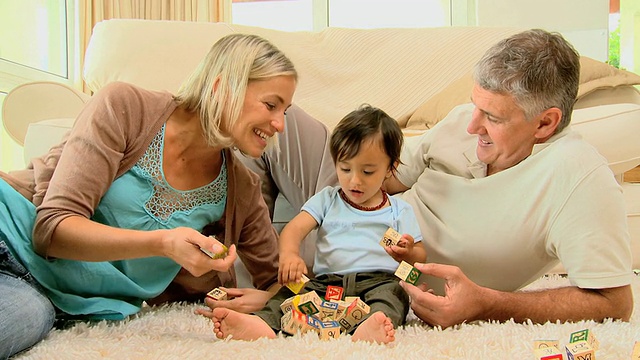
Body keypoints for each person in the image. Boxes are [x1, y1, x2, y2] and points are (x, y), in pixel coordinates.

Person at [223, 29, 633, 328]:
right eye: (475, 106)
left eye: (492, 117)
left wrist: (488, 303)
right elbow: (390, 176)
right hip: (349, 205)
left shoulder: (579, 179)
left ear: (545, 123)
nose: (471, 126)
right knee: (276, 118)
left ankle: (259, 275)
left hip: (375, 276)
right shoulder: (461, 123)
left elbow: (614, 302)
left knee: (214, 277)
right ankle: (241, 245)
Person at [0, 33, 296, 358]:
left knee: (23, 319)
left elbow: (285, 282)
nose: (280, 124)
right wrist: (163, 244)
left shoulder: (241, 189)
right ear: (222, 87)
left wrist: (269, 297)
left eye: (285, 110)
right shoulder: (126, 108)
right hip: (9, 234)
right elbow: (51, 230)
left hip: (42, 296)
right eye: (271, 105)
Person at [197, 104, 426, 344]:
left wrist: (408, 252)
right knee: (289, 296)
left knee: (395, 296)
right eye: (345, 169)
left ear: (391, 168)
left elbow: (420, 255)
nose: (354, 180)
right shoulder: (328, 199)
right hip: (326, 283)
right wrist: (289, 255)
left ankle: (371, 327)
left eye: (368, 172)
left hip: (378, 282)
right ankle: (261, 323)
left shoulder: (399, 210)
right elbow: (294, 229)